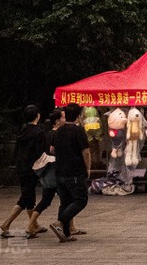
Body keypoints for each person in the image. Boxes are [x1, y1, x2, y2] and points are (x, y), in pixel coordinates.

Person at [0, 105, 45, 238]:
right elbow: (40, 152)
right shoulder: (39, 132)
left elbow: (17, 151)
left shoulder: (22, 131)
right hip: (32, 168)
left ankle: (34, 224)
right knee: (26, 198)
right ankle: (8, 224)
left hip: (21, 167)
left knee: (28, 196)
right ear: (38, 116)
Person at [50, 103, 91, 243]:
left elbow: (52, 150)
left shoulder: (58, 131)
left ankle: (65, 234)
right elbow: (86, 152)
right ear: (78, 116)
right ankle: (59, 222)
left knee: (65, 202)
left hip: (59, 171)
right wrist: (88, 168)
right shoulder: (78, 131)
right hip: (74, 171)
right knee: (81, 200)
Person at [25, 109, 65, 238]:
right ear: (57, 121)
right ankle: (63, 225)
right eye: (63, 117)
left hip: (50, 171)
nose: (65, 119)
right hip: (56, 171)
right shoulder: (56, 134)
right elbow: (52, 150)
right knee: (65, 199)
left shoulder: (48, 134)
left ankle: (31, 225)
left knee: (46, 200)